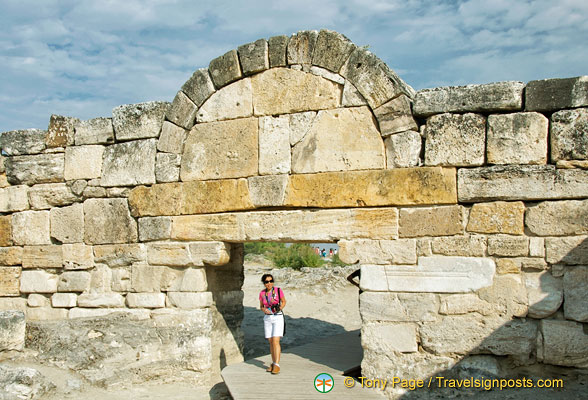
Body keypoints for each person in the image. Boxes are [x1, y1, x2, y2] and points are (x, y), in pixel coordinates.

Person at [259, 273, 286, 374]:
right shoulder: (262, 293)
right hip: (268, 318)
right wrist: (264, 310)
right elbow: (261, 306)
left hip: (278, 317)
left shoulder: (278, 291)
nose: (269, 283)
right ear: (264, 283)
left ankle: (277, 365)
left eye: (271, 281)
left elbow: (284, 301)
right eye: (266, 282)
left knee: (276, 340)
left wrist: (279, 308)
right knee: (271, 341)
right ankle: (273, 363)